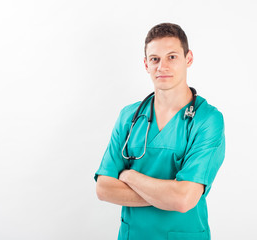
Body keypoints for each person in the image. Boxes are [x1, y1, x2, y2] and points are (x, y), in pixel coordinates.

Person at [94, 23, 225, 240]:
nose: (162, 66)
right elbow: (104, 188)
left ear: (188, 59)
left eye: (172, 57)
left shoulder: (207, 120)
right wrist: (168, 195)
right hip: (133, 234)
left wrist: (129, 176)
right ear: (146, 64)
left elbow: (184, 200)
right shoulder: (129, 116)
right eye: (155, 59)